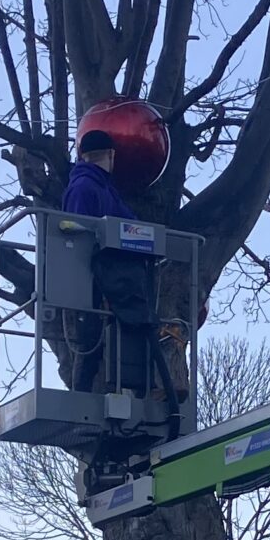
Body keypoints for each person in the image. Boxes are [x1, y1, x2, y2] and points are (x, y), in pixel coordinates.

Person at [61, 129, 178, 406]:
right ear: (111, 155)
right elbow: (79, 237)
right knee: (91, 339)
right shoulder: (87, 188)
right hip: (95, 280)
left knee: (117, 334)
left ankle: (132, 390)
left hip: (111, 277)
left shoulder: (99, 188)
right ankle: (82, 398)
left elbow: (128, 225)